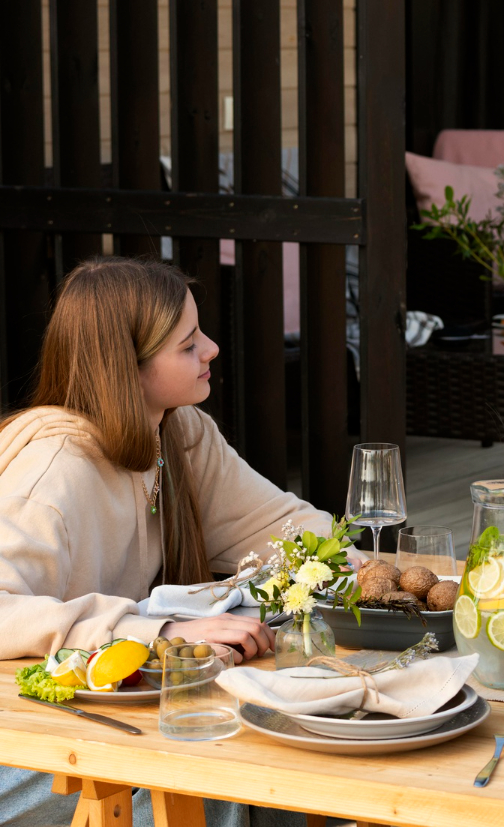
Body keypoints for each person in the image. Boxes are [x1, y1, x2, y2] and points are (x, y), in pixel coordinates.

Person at [0, 256, 335, 826]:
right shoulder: (51, 473)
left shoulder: (177, 432)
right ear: (125, 368)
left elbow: (280, 528)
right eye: (187, 345)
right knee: (218, 765)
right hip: (20, 749)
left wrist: (395, 576)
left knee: (276, 733)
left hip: (98, 720)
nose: (211, 349)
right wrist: (160, 632)